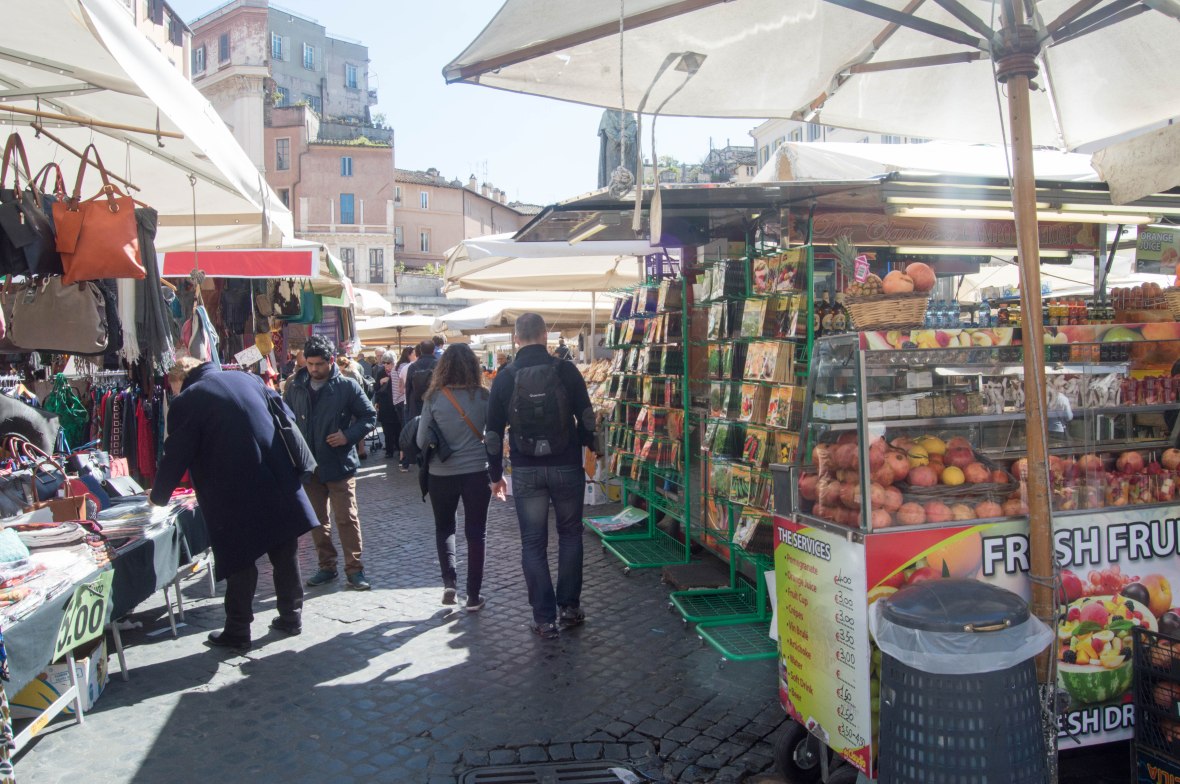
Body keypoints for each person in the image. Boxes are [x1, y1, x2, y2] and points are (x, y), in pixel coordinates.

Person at [150, 357, 319, 650]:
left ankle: (238, 629)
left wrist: (158, 496)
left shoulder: (189, 399)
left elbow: (176, 453)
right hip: (276, 475)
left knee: (239, 558)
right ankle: (291, 616)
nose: (173, 393)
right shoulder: (249, 378)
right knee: (283, 548)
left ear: (181, 379)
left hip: (233, 488)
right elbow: (285, 416)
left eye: (172, 386)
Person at [487, 313, 598, 639]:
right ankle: (570, 608)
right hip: (566, 464)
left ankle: (544, 619)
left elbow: (492, 432)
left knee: (533, 543)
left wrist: (495, 474)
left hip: (525, 469)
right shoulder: (566, 370)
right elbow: (587, 416)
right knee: (570, 535)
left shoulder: (506, 377)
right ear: (546, 336)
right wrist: (594, 448)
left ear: (517, 339)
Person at [284, 336, 378, 591]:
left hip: (339, 464)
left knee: (346, 518)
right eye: (310, 364)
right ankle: (327, 566)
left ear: (331, 361)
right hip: (309, 466)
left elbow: (369, 416)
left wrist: (347, 436)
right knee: (317, 520)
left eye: (319, 364)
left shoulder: (347, 386)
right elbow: (285, 420)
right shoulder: (295, 385)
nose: (314, 369)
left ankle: (355, 569)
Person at [417, 344, 492, 612]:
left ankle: (449, 583)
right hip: (476, 473)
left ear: (443, 367)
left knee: (445, 528)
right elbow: (493, 436)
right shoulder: (484, 396)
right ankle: (473, 596)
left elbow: (420, 439)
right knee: (476, 533)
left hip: (441, 473)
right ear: (473, 366)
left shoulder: (434, 397)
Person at [373, 350, 403, 459]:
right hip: (385, 404)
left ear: (394, 362)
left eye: (388, 363)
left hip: (396, 404)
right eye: (384, 363)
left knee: (398, 428)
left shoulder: (398, 371)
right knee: (387, 430)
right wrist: (380, 382)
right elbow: (375, 388)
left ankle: (400, 449)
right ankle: (389, 451)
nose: (386, 365)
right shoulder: (381, 372)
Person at [404, 339, 438, 421]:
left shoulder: (412, 366)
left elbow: (408, 388)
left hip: (416, 406)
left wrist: (408, 407)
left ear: (420, 351)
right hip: (435, 405)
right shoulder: (439, 365)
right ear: (433, 350)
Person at [396, 346, 414, 472]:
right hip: (427, 403)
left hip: (409, 403)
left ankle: (404, 461)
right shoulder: (434, 365)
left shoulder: (406, 368)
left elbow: (400, 389)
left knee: (407, 432)